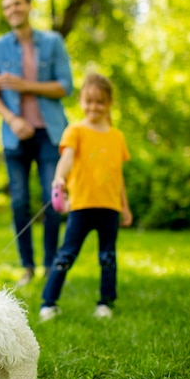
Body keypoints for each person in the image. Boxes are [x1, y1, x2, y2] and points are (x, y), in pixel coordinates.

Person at [0, 0, 73, 286]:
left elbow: (66, 86)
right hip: (15, 136)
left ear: (28, 6)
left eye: (17, 4)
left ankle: (50, 266)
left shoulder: (52, 42)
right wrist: (11, 118)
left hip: (50, 133)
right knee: (19, 201)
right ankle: (27, 267)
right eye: (7, 6)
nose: (13, 10)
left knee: (53, 199)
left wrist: (26, 85)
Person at [40, 73, 133, 321]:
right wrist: (59, 179)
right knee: (66, 255)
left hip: (110, 207)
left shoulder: (117, 137)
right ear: (81, 101)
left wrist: (125, 206)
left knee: (108, 257)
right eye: (89, 101)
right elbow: (66, 159)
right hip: (81, 206)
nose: (94, 107)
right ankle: (48, 303)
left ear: (109, 103)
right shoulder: (76, 131)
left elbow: (118, 176)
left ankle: (106, 303)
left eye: (100, 102)